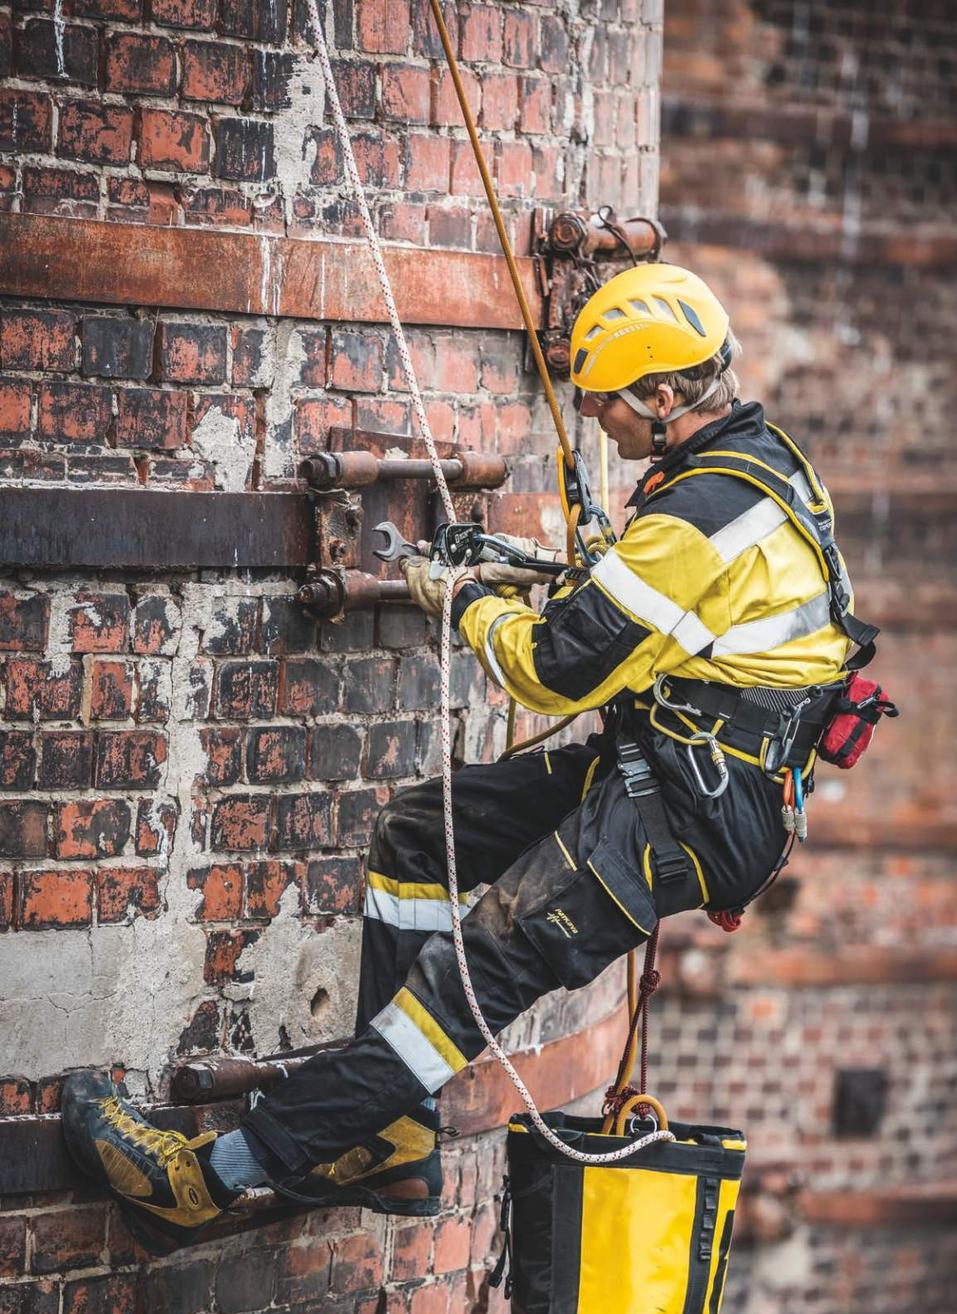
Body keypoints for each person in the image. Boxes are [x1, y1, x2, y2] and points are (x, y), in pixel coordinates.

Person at [62, 264, 867, 1253]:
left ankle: (209, 1178)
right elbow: (669, 624)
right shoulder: (760, 464)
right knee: (418, 832)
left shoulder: (703, 514)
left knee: (464, 977)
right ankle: (388, 1133)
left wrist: (460, 595)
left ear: (664, 397)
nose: (597, 419)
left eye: (608, 403)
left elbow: (556, 671)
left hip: (690, 808)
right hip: (681, 771)